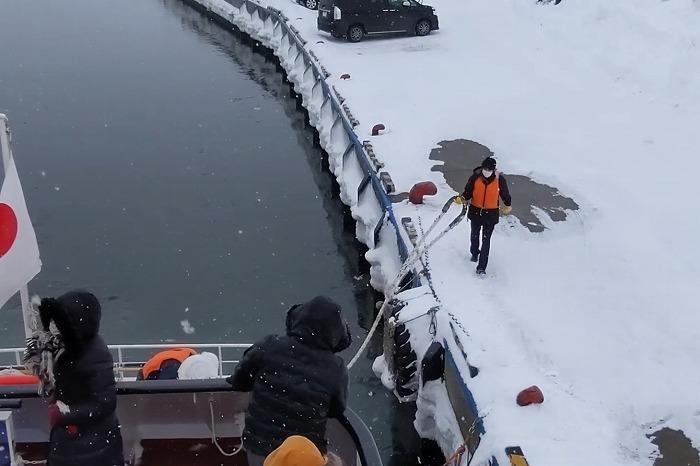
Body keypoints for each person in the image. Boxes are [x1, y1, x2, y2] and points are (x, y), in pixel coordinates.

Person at [226, 295, 351, 466]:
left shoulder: (269, 346)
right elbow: (336, 410)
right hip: (303, 455)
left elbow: (240, 381)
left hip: (260, 446)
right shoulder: (336, 369)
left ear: (298, 320)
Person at [38, 290, 124, 466]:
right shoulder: (65, 348)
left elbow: (104, 403)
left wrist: (64, 414)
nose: (54, 326)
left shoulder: (95, 354)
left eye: (59, 321)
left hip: (93, 445)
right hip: (73, 442)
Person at [460, 156, 512, 275]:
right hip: (475, 211)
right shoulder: (475, 177)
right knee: (474, 234)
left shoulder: (500, 180)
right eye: (485, 169)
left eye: (489, 170)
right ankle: (474, 252)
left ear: (493, 170)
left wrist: (508, 204)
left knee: (486, 240)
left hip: (491, 214)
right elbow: (468, 190)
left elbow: (505, 193)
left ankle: (481, 267)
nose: (486, 172)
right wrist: (463, 198)